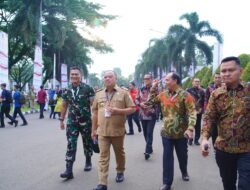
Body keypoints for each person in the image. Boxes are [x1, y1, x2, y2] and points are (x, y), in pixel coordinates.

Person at [201, 56, 250, 190]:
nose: (226, 74)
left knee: (245, 185)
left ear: (240, 71)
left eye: (231, 70)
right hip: (223, 149)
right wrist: (205, 138)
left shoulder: (248, 91)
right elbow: (209, 117)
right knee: (228, 184)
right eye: (223, 71)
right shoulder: (216, 94)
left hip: (247, 149)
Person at [143, 72, 196, 190]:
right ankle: (167, 183)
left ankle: (184, 171)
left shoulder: (185, 95)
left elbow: (192, 112)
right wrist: (153, 89)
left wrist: (190, 128)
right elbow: (149, 103)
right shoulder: (162, 95)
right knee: (167, 157)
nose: (164, 81)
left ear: (175, 81)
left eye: (167, 80)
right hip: (166, 133)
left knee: (182, 156)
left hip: (182, 133)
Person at [92, 70, 136, 190]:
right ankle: (102, 183)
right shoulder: (99, 94)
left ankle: (120, 171)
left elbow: (132, 109)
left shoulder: (123, 93)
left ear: (115, 78)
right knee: (103, 156)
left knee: (119, 153)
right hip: (102, 132)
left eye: (110, 76)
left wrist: (118, 111)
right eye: (105, 77)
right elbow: (95, 112)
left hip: (117, 131)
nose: (107, 79)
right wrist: (93, 130)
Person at [59, 66, 95, 179]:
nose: (74, 76)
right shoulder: (66, 89)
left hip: (86, 122)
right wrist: (61, 120)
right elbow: (64, 105)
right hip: (72, 122)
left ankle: (88, 161)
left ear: (81, 76)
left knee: (87, 142)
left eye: (76, 74)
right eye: (72, 74)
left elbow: (94, 105)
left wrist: (96, 122)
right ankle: (69, 170)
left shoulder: (88, 88)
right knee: (71, 143)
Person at [135, 73, 158, 160]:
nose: (146, 80)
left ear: (151, 79)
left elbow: (159, 99)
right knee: (145, 133)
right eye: (145, 79)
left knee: (149, 132)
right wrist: (140, 104)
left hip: (152, 114)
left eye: (148, 79)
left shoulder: (156, 89)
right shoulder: (141, 89)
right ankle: (150, 147)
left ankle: (147, 151)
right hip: (142, 114)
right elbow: (136, 99)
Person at [204, 73, 222, 146]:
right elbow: (206, 99)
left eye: (219, 77)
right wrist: (206, 111)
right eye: (216, 77)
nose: (217, 79)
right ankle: (215, 148)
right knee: (214, 131)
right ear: (214, 78)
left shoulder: (225, 87)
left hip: (224, 113)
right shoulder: (209, 88)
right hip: (213, 113)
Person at [186, 78, 205, 145]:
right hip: (191, 111)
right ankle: (190, 139)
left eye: (198, 81)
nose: (197, 83)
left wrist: (202, 109)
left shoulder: (202, 91)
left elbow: (204, 102)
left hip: (199, 111)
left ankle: (196, 140)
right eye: (195, 81)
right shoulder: (188, 90)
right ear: (192, 82)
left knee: (198, 126)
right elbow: (185, 101)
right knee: (191, 125)